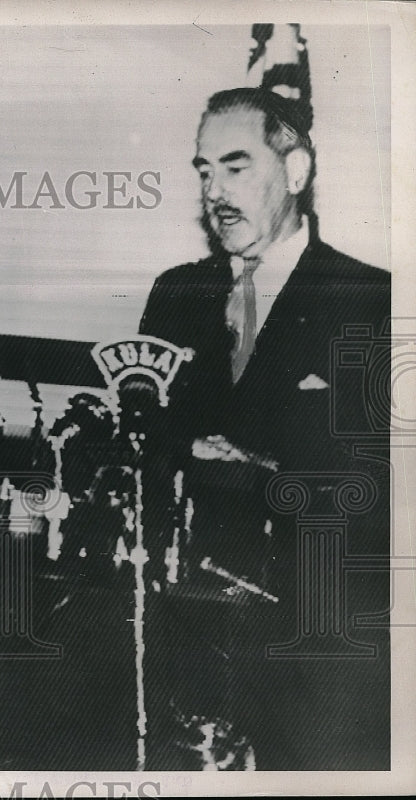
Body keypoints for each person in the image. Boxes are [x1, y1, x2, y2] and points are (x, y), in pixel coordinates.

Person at [138, 88, 391, 769]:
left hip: (313, 651)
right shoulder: (176, 293)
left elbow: (384, 485)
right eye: (204, 171)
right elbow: (144, 439)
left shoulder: (373, 301)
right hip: (184, 637)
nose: (214, 191)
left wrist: (264, 472)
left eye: (235, 166)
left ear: (296, 170)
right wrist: (181, 448)